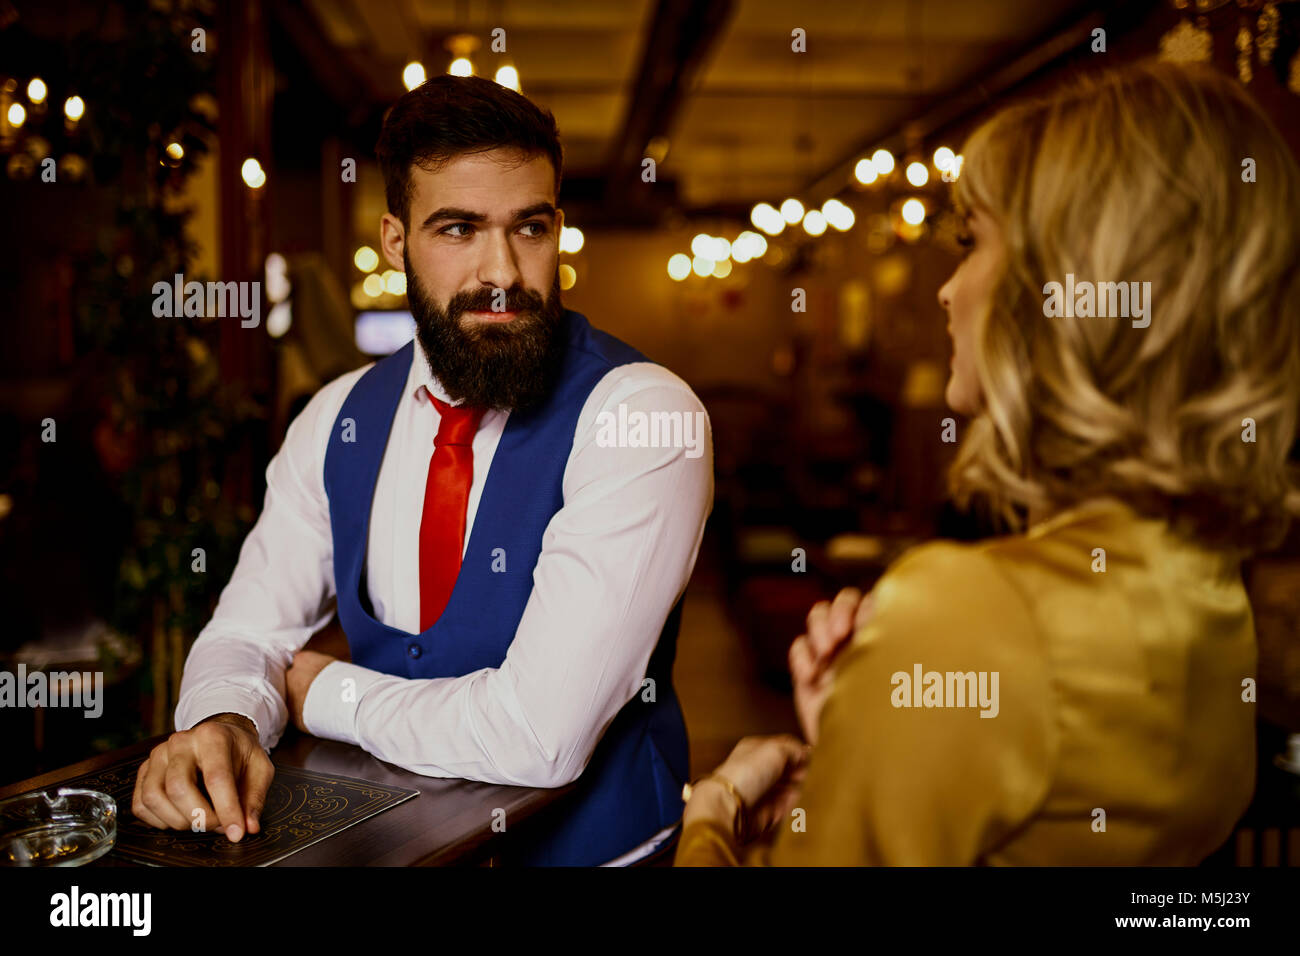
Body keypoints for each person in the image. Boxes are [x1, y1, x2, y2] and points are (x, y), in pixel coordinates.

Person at [676, 60, 1300, 866]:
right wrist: (868, 746)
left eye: (970, 244)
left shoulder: (969, 611)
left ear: (1066, 289)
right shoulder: (1212, 594)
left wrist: (717, 810)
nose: (946, 291)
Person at [134, 74, 713, 866]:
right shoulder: (334, 419)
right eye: (458, 229)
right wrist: (222, 724)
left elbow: (537, 737)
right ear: (396, 241)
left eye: (530, 228)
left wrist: (322, 694)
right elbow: (246, 631)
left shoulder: (644, 416)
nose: (502, 272)